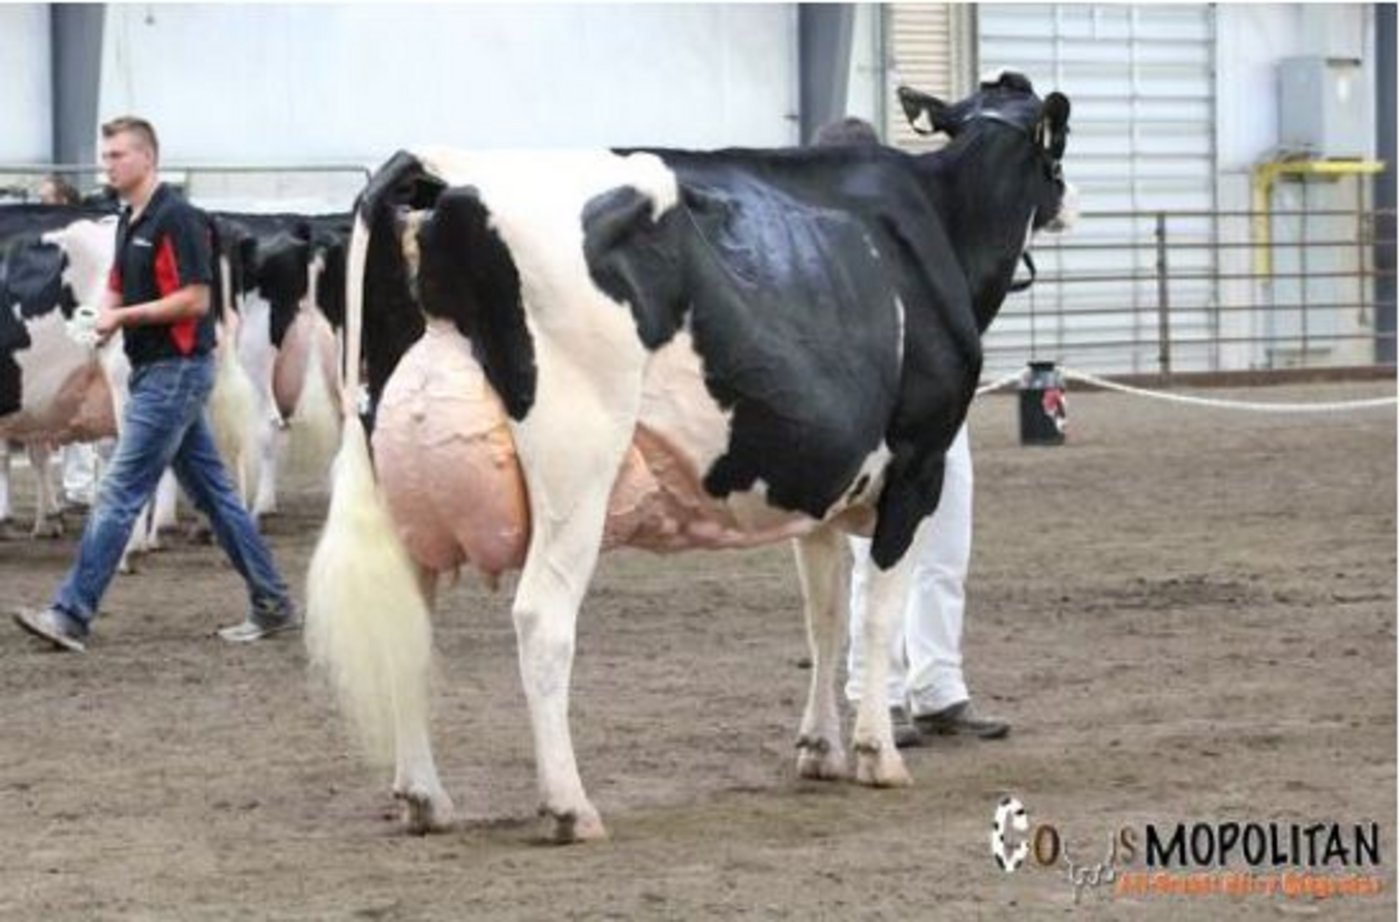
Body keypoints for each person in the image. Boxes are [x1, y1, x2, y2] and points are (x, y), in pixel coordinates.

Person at [13, 116, 298, 653]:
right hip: (156, 371)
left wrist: (124, 319)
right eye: (107, 155)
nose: (108, 163)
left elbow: (196, 299)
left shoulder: (179, 220)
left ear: (148, 158)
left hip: (176, 370)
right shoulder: (130, 222)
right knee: (215, 496)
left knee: (120, 490)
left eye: (118, 154)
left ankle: (71, 613)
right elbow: (118, 285)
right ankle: (274, 601)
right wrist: (102, 314)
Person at [811, 116, 1009, 747]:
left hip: (939, 409)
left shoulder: (916, 231)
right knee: (878, 555)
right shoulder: (819, 246)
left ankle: (938, 687)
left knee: (946, 549)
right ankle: (877, 694)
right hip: (871, 422)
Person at [36, 175, 101, 513]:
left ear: (63, 201)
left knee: (80, 404)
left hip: (76, 327)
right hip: (46, 333)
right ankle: (72, 489)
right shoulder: (40, 239)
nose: (39, 203)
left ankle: (80, 488)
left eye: (46, 198)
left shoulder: (81, 236)